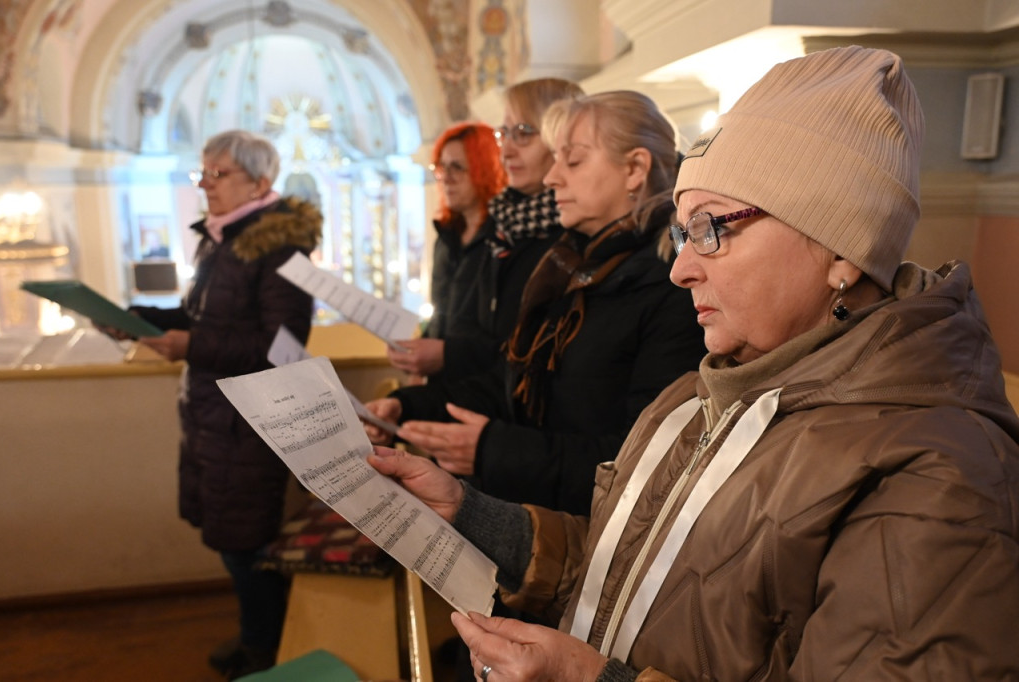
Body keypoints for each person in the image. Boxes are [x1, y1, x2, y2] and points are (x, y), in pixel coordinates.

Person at [367, 46, 1019, 681]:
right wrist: (472, 512)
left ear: (841, 249)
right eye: (680, 232)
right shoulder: (696, 392)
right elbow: (631, 571)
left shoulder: (940, 475)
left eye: (710, 228)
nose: (680, 267)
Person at [367, 90, 705, 517]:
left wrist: (494, 450)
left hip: (595, 538)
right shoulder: (571, 265)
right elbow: (514, 382)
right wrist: (406, 407)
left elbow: (648, 460)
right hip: (540, 518)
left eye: (574, 160)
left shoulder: (673, 283)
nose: (552, 178)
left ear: (634, 168)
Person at [123, 130, 321, 679]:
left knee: (247, 544)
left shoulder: (279, 246)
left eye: (220, 174)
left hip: (251, 420)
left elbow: (281, 347)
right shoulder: (221, 238)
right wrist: (138, 317)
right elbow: (206, 318)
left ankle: (271, 654)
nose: (206, 184)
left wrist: (191, 346)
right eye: (202, 173)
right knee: (235, 543)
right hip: (214, 415)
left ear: (260, 182)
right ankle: (258, 638)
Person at [387, 78, 583, 384]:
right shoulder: (507, 226)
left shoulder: (571, 233)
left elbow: (533, 354)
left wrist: (448, 358)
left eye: (523, 133)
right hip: (471, 393)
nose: (506, 151)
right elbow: (468, 324)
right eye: (503, 133)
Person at [402, 122, 506, 385]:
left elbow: (499, 337)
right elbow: (441, 314)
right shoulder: (447, 238)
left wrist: (447, 354)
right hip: (441, 384)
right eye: (441, 167)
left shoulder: (503, 238)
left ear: (486, 168)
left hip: (483, 386)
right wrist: (417, 355)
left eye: (457, 167)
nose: (446, 177)